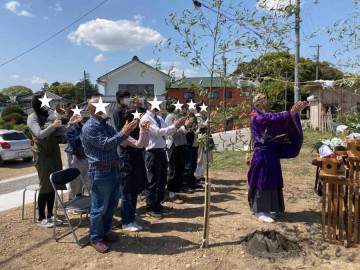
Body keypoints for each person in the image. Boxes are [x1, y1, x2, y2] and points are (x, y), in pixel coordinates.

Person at [82, 97, 137, 253]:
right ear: (94, 109)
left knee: (111, 204)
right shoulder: (90, 127)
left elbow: (115, 140)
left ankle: (105, 232)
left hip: (113, 169)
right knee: (99, 208)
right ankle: (96, 238)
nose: (106, 107)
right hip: (100, 171)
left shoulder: (105, 123)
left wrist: (124, 132)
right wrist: (123, 133)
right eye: (103, 105)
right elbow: (106, 145)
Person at [247, 94, 307, 223]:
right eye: (264, 100)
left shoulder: (265, 114)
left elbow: (276, 120)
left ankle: (267, 209)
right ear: (258, 103)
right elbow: (270, 119)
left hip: (271, 153)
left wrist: (292, 114)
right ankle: (259, 210)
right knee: (262, 180)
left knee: (272, 179)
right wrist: (290, 112)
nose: (267, 102)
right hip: (262, 154)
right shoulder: (256, 117)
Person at [27, 94, 80, 228]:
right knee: (45, 185)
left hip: (54, 152)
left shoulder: (48, 115)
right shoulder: (32, 118)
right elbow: (39, 134)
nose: (48, 104)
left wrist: (70, 124)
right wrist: (53, 125)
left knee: (53, 184)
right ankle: (41, 217)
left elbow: (59, 131)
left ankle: (50, 214)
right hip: (42, 154)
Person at [140, 98, 186, 218]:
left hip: (161, 151)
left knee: (161, 180)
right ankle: (150, 206)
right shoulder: (146, 118)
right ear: (149, 105)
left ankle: (158, 204)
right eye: (156, 104)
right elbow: (158, 132)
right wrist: (173, 126)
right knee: (153, 180)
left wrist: (178, 126)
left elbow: (168, 131)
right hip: (152, 152)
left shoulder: (159, 118)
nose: (159, 106)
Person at [118, 109, 150, 232]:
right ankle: (126, 222)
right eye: (135, 119)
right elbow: (139, 144)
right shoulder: (123, 134)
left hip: (136, 165)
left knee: (134, 194)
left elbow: (145, 144)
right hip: (127, 167)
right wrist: (143, 130)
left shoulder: (136, 132)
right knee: (127, 195)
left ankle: (131, 219)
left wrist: (145, 130)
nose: (137, 122)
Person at [165, 101, 192, 204]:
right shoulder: (170, 118)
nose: (180, 107)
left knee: (179, 169)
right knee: (174, 170)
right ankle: (171, 194)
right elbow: (172, 134)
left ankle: (175, 191)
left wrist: (186, 126)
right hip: (173, 146)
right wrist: (185, 127)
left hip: (180, 145)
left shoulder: (177, 116)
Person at [64, 105, 90, 202]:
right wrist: (83, 135)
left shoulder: (83, 126)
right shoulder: (70, 127)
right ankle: (71, 201)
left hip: (83, 155)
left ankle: (79, 199)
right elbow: (73, 141)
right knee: (73, 179)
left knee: (83, 177)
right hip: (73, 156)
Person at [194, 103, 217, 183]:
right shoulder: (197, 116)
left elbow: (207, 124)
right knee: (201, 157)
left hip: (207, 138)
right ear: (199, 109)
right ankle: (197, 175)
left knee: (205, 157)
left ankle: (201, 175)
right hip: (201, 139)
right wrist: (209, 118)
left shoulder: (204, 116)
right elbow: (201, 125)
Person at [183, 102, 202, 191]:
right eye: (190, 107)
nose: (192, 108)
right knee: (187, 164)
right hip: (188, 143)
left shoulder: (195, 117)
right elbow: (185, 130)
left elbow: (198, 126)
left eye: (194, 107)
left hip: (195, 143)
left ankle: (191, 181)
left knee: (193, 164)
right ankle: (185, 184)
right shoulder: (185, 117)